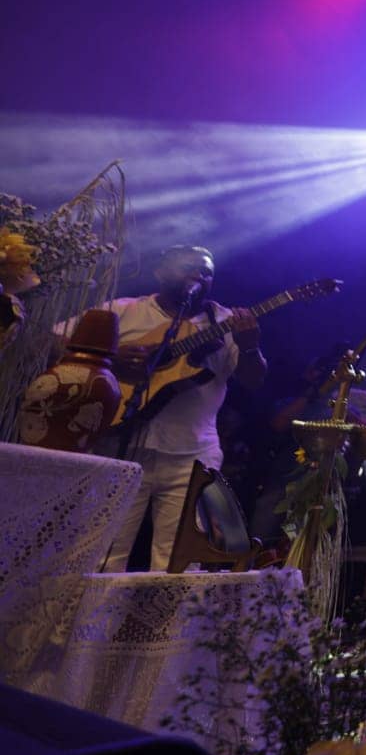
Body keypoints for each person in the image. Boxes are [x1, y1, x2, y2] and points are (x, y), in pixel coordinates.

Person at [94, 245, 267, 571]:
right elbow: (55, 340)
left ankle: (171, 624)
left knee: (179, 563)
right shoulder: (123, 311)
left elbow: (255, 380)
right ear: (160, 273)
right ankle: (91, 622)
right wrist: (110, 357)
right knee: (104, 556)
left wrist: (250, 347)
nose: (199, 276)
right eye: (189, 267)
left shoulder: (226, 322)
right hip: (122, 444)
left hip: (193, 454)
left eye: (207, 271)